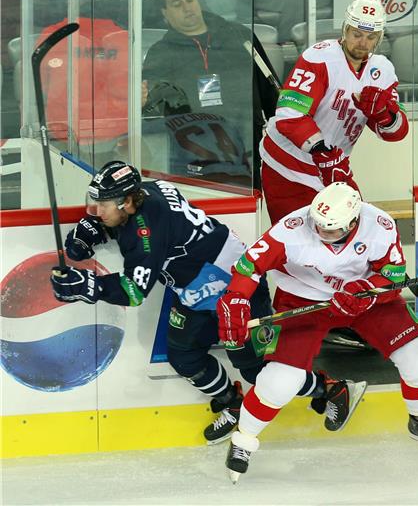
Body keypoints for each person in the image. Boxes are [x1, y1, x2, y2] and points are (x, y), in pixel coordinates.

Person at [49, 161, 365, 444]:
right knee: (183, 354)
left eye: (103, 204)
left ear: (128, 201)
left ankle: (332, 388)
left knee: (257, 369)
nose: (97, 210)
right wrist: (98, 229)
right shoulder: (145, 193)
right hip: (195, 287)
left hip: (234, 286)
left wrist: (88, 284)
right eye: (96, 202)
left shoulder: (146, 231)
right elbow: (128, 225)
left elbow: (134, 291)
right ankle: (231, 402)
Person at [216, 182, 418, 482]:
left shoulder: (380, 225)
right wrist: (236, 298)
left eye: (330, 230)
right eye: (317, 226)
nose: (321, 234)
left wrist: (369, 291)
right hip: (303, 297)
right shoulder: (291, 229)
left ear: (354, 222)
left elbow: (394, 277)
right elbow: (248, 267)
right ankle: (244, 440)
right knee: (280, 381)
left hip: (364, 296)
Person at [259, 0, 409, 225]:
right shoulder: (319, 58)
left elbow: (395, 133)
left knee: (356, 233)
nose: (362, 43)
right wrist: (322, 152)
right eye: (356, 34)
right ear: (345, 30)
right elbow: (289, 115)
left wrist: (383, 114)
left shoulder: (382, 70)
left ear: (379, 38)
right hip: (286, 165)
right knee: (297, 245)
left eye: (370, 37)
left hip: (331, 169)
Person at [141, 0, 278, 188]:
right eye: (177, 4)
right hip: (190, 161)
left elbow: (271, 92)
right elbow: (152, 114)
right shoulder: (160, 54)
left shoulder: (240, 36)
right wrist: (141, 103)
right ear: (164, 13)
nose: (187, 8)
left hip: (247, 156)